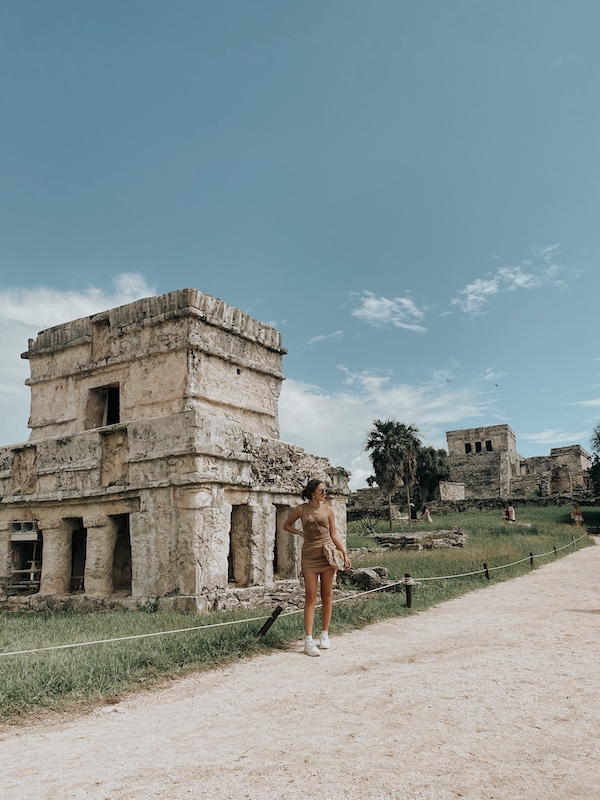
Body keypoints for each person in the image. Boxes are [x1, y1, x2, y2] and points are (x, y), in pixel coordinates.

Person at [284, 479, 351, 657]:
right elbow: (286, 525)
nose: (325, 493)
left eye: (325, 490)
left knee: (327, 595)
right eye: (322, 490)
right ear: (313, 492)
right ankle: (308, 639)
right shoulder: (301, 509)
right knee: (311, 596)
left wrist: (344, 553)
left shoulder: (328, 509)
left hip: (327, 553)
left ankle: (324, 634)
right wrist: (300, 533)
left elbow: (334, 534)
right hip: (309, 554)